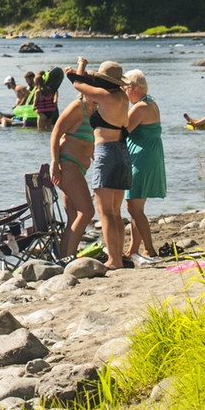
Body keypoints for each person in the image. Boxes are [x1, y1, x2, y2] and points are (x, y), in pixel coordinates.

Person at [62, 58, 134, 269]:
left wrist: (72, 72)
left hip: (107, 153)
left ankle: (113, 260)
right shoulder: (122, 97)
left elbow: (78, 86)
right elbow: (88, 90)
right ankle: (117, 257)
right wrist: (82, 71)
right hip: (123, 152)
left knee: (105, 213)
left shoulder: (104, 96)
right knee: (116, 212)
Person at [123, 69, 166, 266]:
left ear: (132, 88)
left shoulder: (139, 108)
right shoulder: (151, 102)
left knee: (133, 206)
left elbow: (122, 132)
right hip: (151, 155)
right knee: (136, 206)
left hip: (142, 158)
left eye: (124, 88)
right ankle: (133, 249)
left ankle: (149, 247)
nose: (123, 91)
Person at [49, 91, 98, 258]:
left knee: (73, 216)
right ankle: (70, 258)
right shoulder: (77, 107)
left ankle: (64, 258)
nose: (98, 97)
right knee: (87, 212)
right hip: (67, 164)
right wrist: (54, 163)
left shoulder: (94, 109)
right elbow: (56, 132)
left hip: (77, 168)